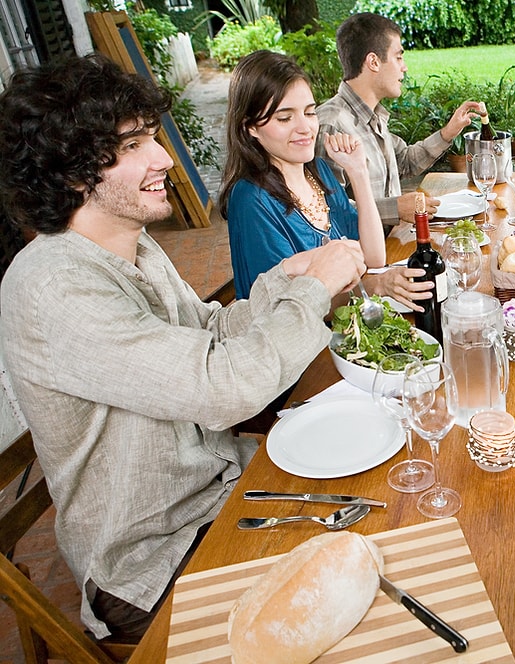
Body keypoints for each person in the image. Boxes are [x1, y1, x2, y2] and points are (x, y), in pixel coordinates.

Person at [0, 54, 366, 641]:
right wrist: (313, 291)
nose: (164, 158)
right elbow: (224, 390)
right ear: (70, 172)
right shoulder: (54, 287)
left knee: (370, 505)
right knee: (343, 604)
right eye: (132, 145)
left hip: (220, 490)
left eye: (152, 136)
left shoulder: (135, 246)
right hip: (152, 557)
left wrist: (289, 277)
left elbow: (210, 332)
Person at [220, 50, 431, 309]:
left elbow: (374, 256)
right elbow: (286, 309)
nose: (305, 128)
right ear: (250, 127)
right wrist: (375, 286)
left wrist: (358, 172)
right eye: (285, 118)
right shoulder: (252, 199)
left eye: (309, 113)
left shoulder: (318, 172)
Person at [316, 12, 482, 226]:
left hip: (394, 239)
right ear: (374, 62)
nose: (404, 67)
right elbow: (328, 212)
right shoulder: (331, 125)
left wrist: (448, 133)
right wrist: (395, 208)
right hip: (365, 247)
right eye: (398, 57)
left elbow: (404, 161)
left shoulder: (373, 116)